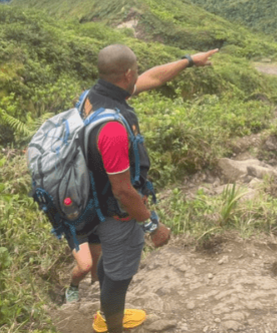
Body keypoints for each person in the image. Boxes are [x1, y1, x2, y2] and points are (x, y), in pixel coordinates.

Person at [81, 44, 218, 333]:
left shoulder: (91, 98)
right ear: (128, 74)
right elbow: (123, 190)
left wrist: (190, 60)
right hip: (117, 211)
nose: (140, 75)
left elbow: (155, 78)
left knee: (110, 263)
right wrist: (152, 225)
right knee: (118, 276)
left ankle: (107, 316)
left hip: (94, 202)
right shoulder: (113, 128)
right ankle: (113, 326)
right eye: (137, 70)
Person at [64, 235, 101, 303]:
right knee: (85, 266)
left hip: (95, 226)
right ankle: (73, 286)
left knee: (96, 255)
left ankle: (95, 284)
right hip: (76, 229)